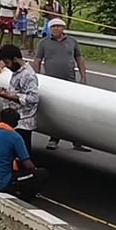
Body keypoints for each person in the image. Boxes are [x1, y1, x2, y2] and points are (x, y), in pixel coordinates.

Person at [34, 18, 91, 151]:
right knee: (55, 111)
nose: (55, 29)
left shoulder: (72, 42)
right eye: (53, 27)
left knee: (73, 111)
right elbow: (37, 60)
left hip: (69, 80)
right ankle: (54, 138)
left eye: (58, 26)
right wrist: (37, 76)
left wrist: (83, 76)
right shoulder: (44, 43)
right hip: (52, 82)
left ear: (63, 28)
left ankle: (76, 141)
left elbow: (79, 59)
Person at [0, 107, 48, 201]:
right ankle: (24, 198)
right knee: (41, 174)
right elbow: (27, 164)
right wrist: (34, 170)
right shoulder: (15, 137)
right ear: (16, 123)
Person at [0, 43, 39, 152]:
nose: (7, 66)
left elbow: (33, 99)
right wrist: (7, 93)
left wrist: (11, 96)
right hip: (14, 120)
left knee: (21, 153)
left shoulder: (28, 75)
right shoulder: (17, 72)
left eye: (7, 63)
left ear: (15, 59)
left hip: (23, 122)